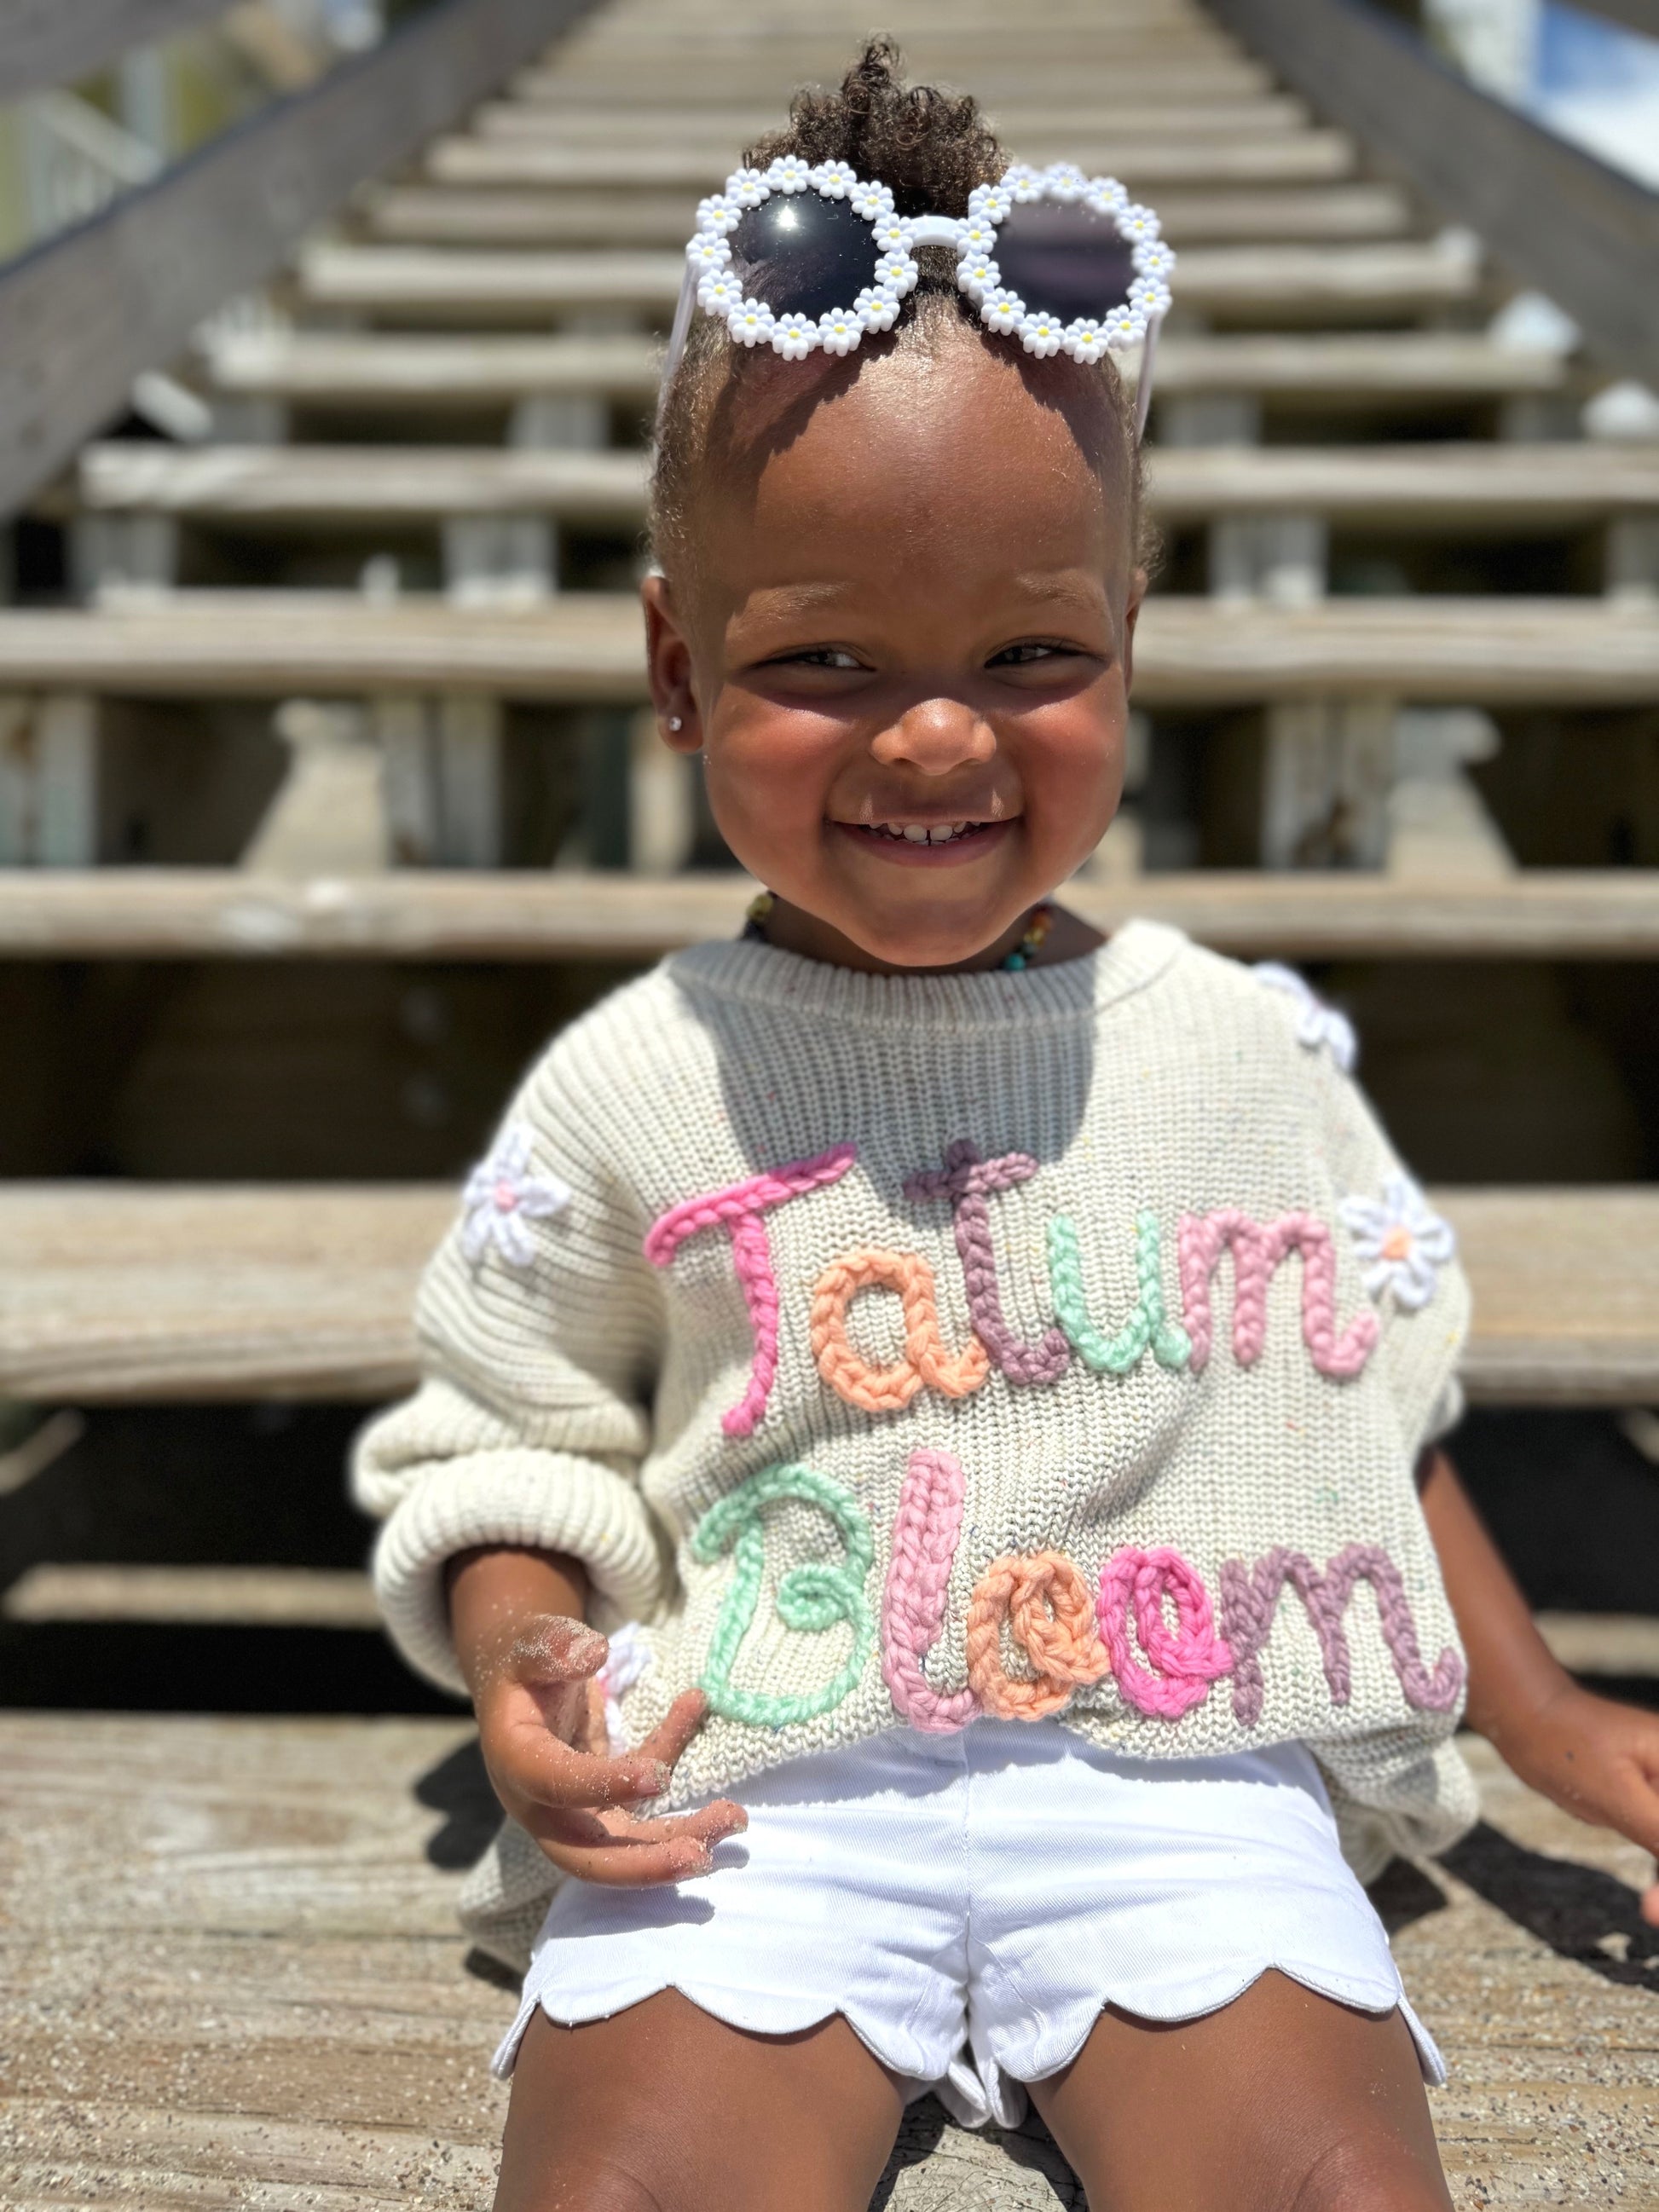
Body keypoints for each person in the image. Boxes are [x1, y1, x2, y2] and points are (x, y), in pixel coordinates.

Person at [352, 45, 1659, 2211]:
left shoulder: (1239, 1055)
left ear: (1129, 642)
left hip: (1182, 1775)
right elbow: (514, 1437)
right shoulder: (636, 1079)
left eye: (1032, 648)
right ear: (676, 669)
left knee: (1337, 2188)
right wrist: (526, 1655)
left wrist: (1551, 1725)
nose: (942, 727)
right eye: (830, 659)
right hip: (752, 1781)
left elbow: (1360, 1412)